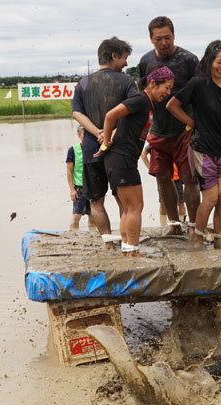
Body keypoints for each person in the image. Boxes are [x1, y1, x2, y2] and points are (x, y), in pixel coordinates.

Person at [167, 40, 221, 249]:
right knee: (210, 198)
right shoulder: (198, 83)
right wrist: (192, 122)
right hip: (202, 148)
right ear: (209, 60)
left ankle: (218, 240)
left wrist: (218, 120)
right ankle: (198, 238)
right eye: (218, 62)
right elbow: (172, 105)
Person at [96, 66, 175, 257]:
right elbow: (110, 116)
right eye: (167, 87)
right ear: (153, 83)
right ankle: (132, 251)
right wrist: (106, 143)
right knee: (135, 207)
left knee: (130, 207)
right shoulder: (140, 100)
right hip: (121, 158)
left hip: (124, 159)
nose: (168, 93)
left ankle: (127, 248)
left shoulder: (148, 102)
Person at [71, 37, 137, 249]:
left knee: (95, 202)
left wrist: (97, 132)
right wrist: (109, 133)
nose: (126, 63)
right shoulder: (126, 82)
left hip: (91, 149)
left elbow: (76, 113)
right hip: (118, 150)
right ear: (114, 56)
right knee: (125, 201)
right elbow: (132, 111)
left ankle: (108, 244)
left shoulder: (83, 83)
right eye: (124, 58)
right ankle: (127, 242)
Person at [139, 16, 200, 236]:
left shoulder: (189, 59)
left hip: (185, 130)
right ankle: (174, 223)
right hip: (159, 129)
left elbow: (200, 93)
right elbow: (144, 96)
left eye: (168, 37)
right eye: (158, 39)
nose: (164, 43)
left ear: (174, 35)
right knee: (163, 176)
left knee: (189, 177)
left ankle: (193, 225)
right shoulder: (146, 61)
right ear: (150, 39)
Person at [141, 145, 186, 226]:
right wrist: (151, 168)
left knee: (181, 202)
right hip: (163, 176)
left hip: (177, 176)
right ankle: (163, 225)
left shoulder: (177, 139)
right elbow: (143, 154)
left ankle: (182, 224)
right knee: (163, 202)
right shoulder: (158, 140)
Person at [65, 125, 95, 230]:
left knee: (93, 216)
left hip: (93, 187)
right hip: (79, 188)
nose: (86, 137)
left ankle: (91, 235)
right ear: (79, 136)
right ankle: (73, 236)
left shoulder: (95, 148)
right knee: (76, 216)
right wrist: (72, 190)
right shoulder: (73, 150)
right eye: (84, 134)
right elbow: (69, 171)